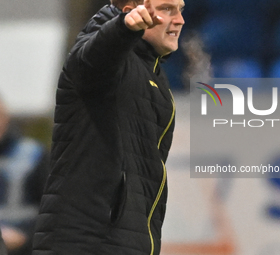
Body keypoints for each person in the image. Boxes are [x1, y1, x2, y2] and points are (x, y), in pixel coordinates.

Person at [32, 0, 185, 254]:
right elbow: (92, 62)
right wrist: (123, 29)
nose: (179, 20)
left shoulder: (153, 74)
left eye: (180, 10)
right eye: (167, 9)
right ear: (130, 12)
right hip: (87, 244)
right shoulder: (105, 52)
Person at [0, 98, 49, 255]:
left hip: (25, 246)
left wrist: (26, 237)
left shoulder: (34, 155)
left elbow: (53, 208)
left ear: (6, 117)